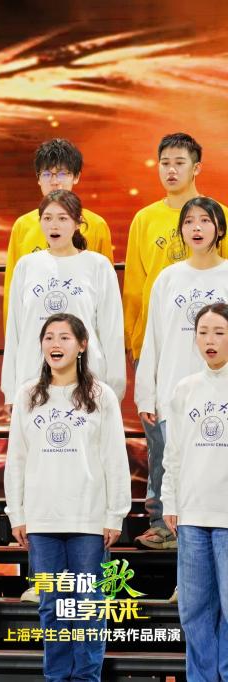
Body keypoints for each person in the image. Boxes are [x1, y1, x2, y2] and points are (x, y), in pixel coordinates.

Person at [4, 313, 131, 682]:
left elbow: (114, 458)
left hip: (88, 520)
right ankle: (56, 677)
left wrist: (115, 514)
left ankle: (87, 677)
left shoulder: (100, 396)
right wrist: (17, 514)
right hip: (42, 520)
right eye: (48, 337)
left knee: (88, 606)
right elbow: (16, 459)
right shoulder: (27, 395)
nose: (55, 344)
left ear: (82, 345)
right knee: (52, 607)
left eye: (64, 337)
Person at [135, 196, 228, 552]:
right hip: (173, 390)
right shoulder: (168, 278)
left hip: (220, 393)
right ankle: (166, 533)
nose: (196, 228)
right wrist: (147, 393)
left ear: (219, 228)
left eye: (205, 220)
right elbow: (154, 337)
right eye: (189, 222)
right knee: (169, 465)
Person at [2, 190, 124, 406]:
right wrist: (11, 392)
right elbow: (15, 331)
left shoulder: (98, 265)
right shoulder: (26, 266)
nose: (54, 226)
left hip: (86, 382)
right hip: (32, 380)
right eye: (47, 218)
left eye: (62, 218)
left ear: (77, 223)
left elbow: (112, 332)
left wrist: (114, 391)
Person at [162, 302, 228, 679]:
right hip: (192, 517)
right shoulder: (185, 389)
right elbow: (173, 453)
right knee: (194, 610)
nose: (209, 340)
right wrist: (170, 501)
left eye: (219, 332)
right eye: (202, 332)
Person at [125, 133, 228, 359]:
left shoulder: (221, 215)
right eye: (165, 164)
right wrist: (132, 339)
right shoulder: (144, 219)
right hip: (157, 337)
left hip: (213, 340)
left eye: (180, 163)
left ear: (196, 168)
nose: (171, 170)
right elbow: (134, 287)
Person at [4, 139, 114, 329]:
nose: (55, 182)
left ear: (76, 177)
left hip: (82, 331)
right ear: (38, 178)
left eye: (62, 173)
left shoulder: (96, 225)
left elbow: (106, 293)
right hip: (35, 330)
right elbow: (12, 292)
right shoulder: (22, 226)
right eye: (47, 174)